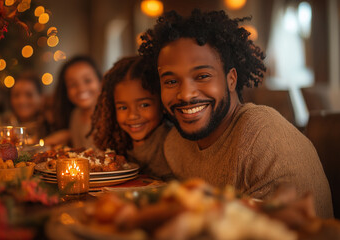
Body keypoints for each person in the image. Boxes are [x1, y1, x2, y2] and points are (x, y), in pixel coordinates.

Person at [138, 9, 333, 217]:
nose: (185, 95)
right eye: (171, 81)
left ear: (231, 79)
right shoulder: (176, 144)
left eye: (202, 76)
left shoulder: (263, 136)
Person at [90, 56, 173, 179]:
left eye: (144, 105)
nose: (132, 115)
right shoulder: (117, 144)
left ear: (162, 103)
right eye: (123, 108)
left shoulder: (172, 144)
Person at [44, 56, 102, 148]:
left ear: (100, 82)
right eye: (73, 84)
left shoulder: (108, 117)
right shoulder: (75, 115)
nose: (81, 88)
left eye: (87, 80)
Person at [2, 72, 47, 145]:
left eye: (29, 95)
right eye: (16, 95)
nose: (22, 101)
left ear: (41, 98)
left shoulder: (51, 127)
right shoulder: (2, 128)